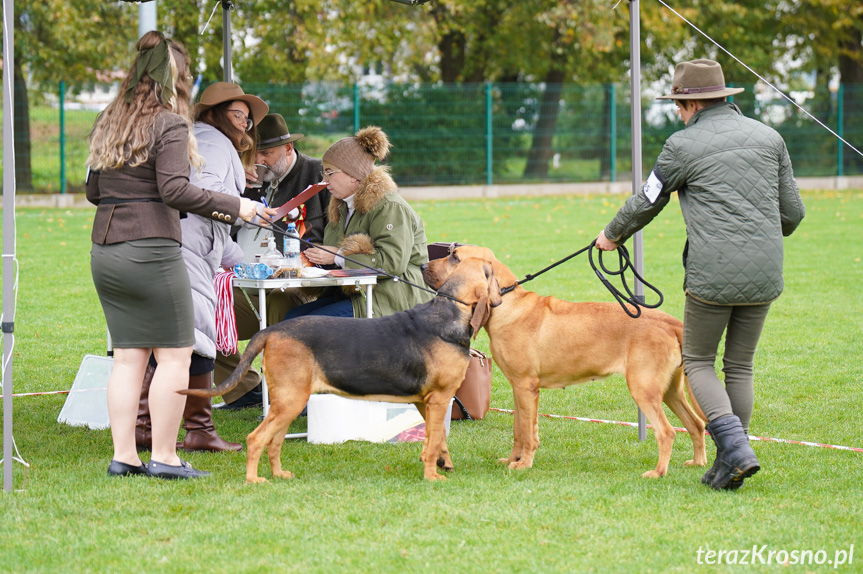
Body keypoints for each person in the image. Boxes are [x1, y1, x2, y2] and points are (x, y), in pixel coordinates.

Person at [594, 59, 805, 490]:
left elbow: (648, 200)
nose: (677, 112)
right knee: (740, 365)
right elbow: (793, 213)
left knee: (698, 361)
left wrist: (611, 236)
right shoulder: (771, 137)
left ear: (691, 104)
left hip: (712, 275)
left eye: (678, 104)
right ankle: (732, 460)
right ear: (724, 97)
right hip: (767, 272)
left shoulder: (681, 145)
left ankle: (736, 450)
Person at [86, 31, 274, 480]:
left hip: (105, 250)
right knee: (175, 354)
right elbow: (174, 190)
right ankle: (167, 457)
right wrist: (238, 205)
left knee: (130, 358)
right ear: (176, 77)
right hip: (152, 249)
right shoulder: (170, 123)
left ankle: (125, 457)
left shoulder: (108, 120)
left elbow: (94, 191)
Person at [134, 82, 269, 451]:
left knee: (170, 339)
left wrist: (241, 260)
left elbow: (212, 222)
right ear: (213, 112)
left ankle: (155, 427)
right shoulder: (211, 139)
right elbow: (204, 196)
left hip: (188, 247)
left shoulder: (206, 138)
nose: (244, 124)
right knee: (198, 340)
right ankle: (197, 430)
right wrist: (245, 206)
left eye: (247, 118)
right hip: (187, 251)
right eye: (236, 115)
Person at [213, 113, 331, 409]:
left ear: (288, 149)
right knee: (201, 309)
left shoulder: (318, 174)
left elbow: (334, 235)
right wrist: (243, 191)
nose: (260, 160)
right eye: (254, 154)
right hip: (245, 278)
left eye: (266, 153)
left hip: (298, 285)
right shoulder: (245, 181)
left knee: (280, 305)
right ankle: (244, 390)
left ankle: (291, 395)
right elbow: (221, 226)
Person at [287, 125, 432, 319]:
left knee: (301, 326)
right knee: (292, 319)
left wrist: (337, 255)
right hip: (360, 294)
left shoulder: (389, 207)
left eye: (330, 172)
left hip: (393, 299)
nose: (324, 180)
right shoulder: (342, 207)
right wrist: (308, 262)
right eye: (323, 173)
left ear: (354, 175)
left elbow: (392, 263)